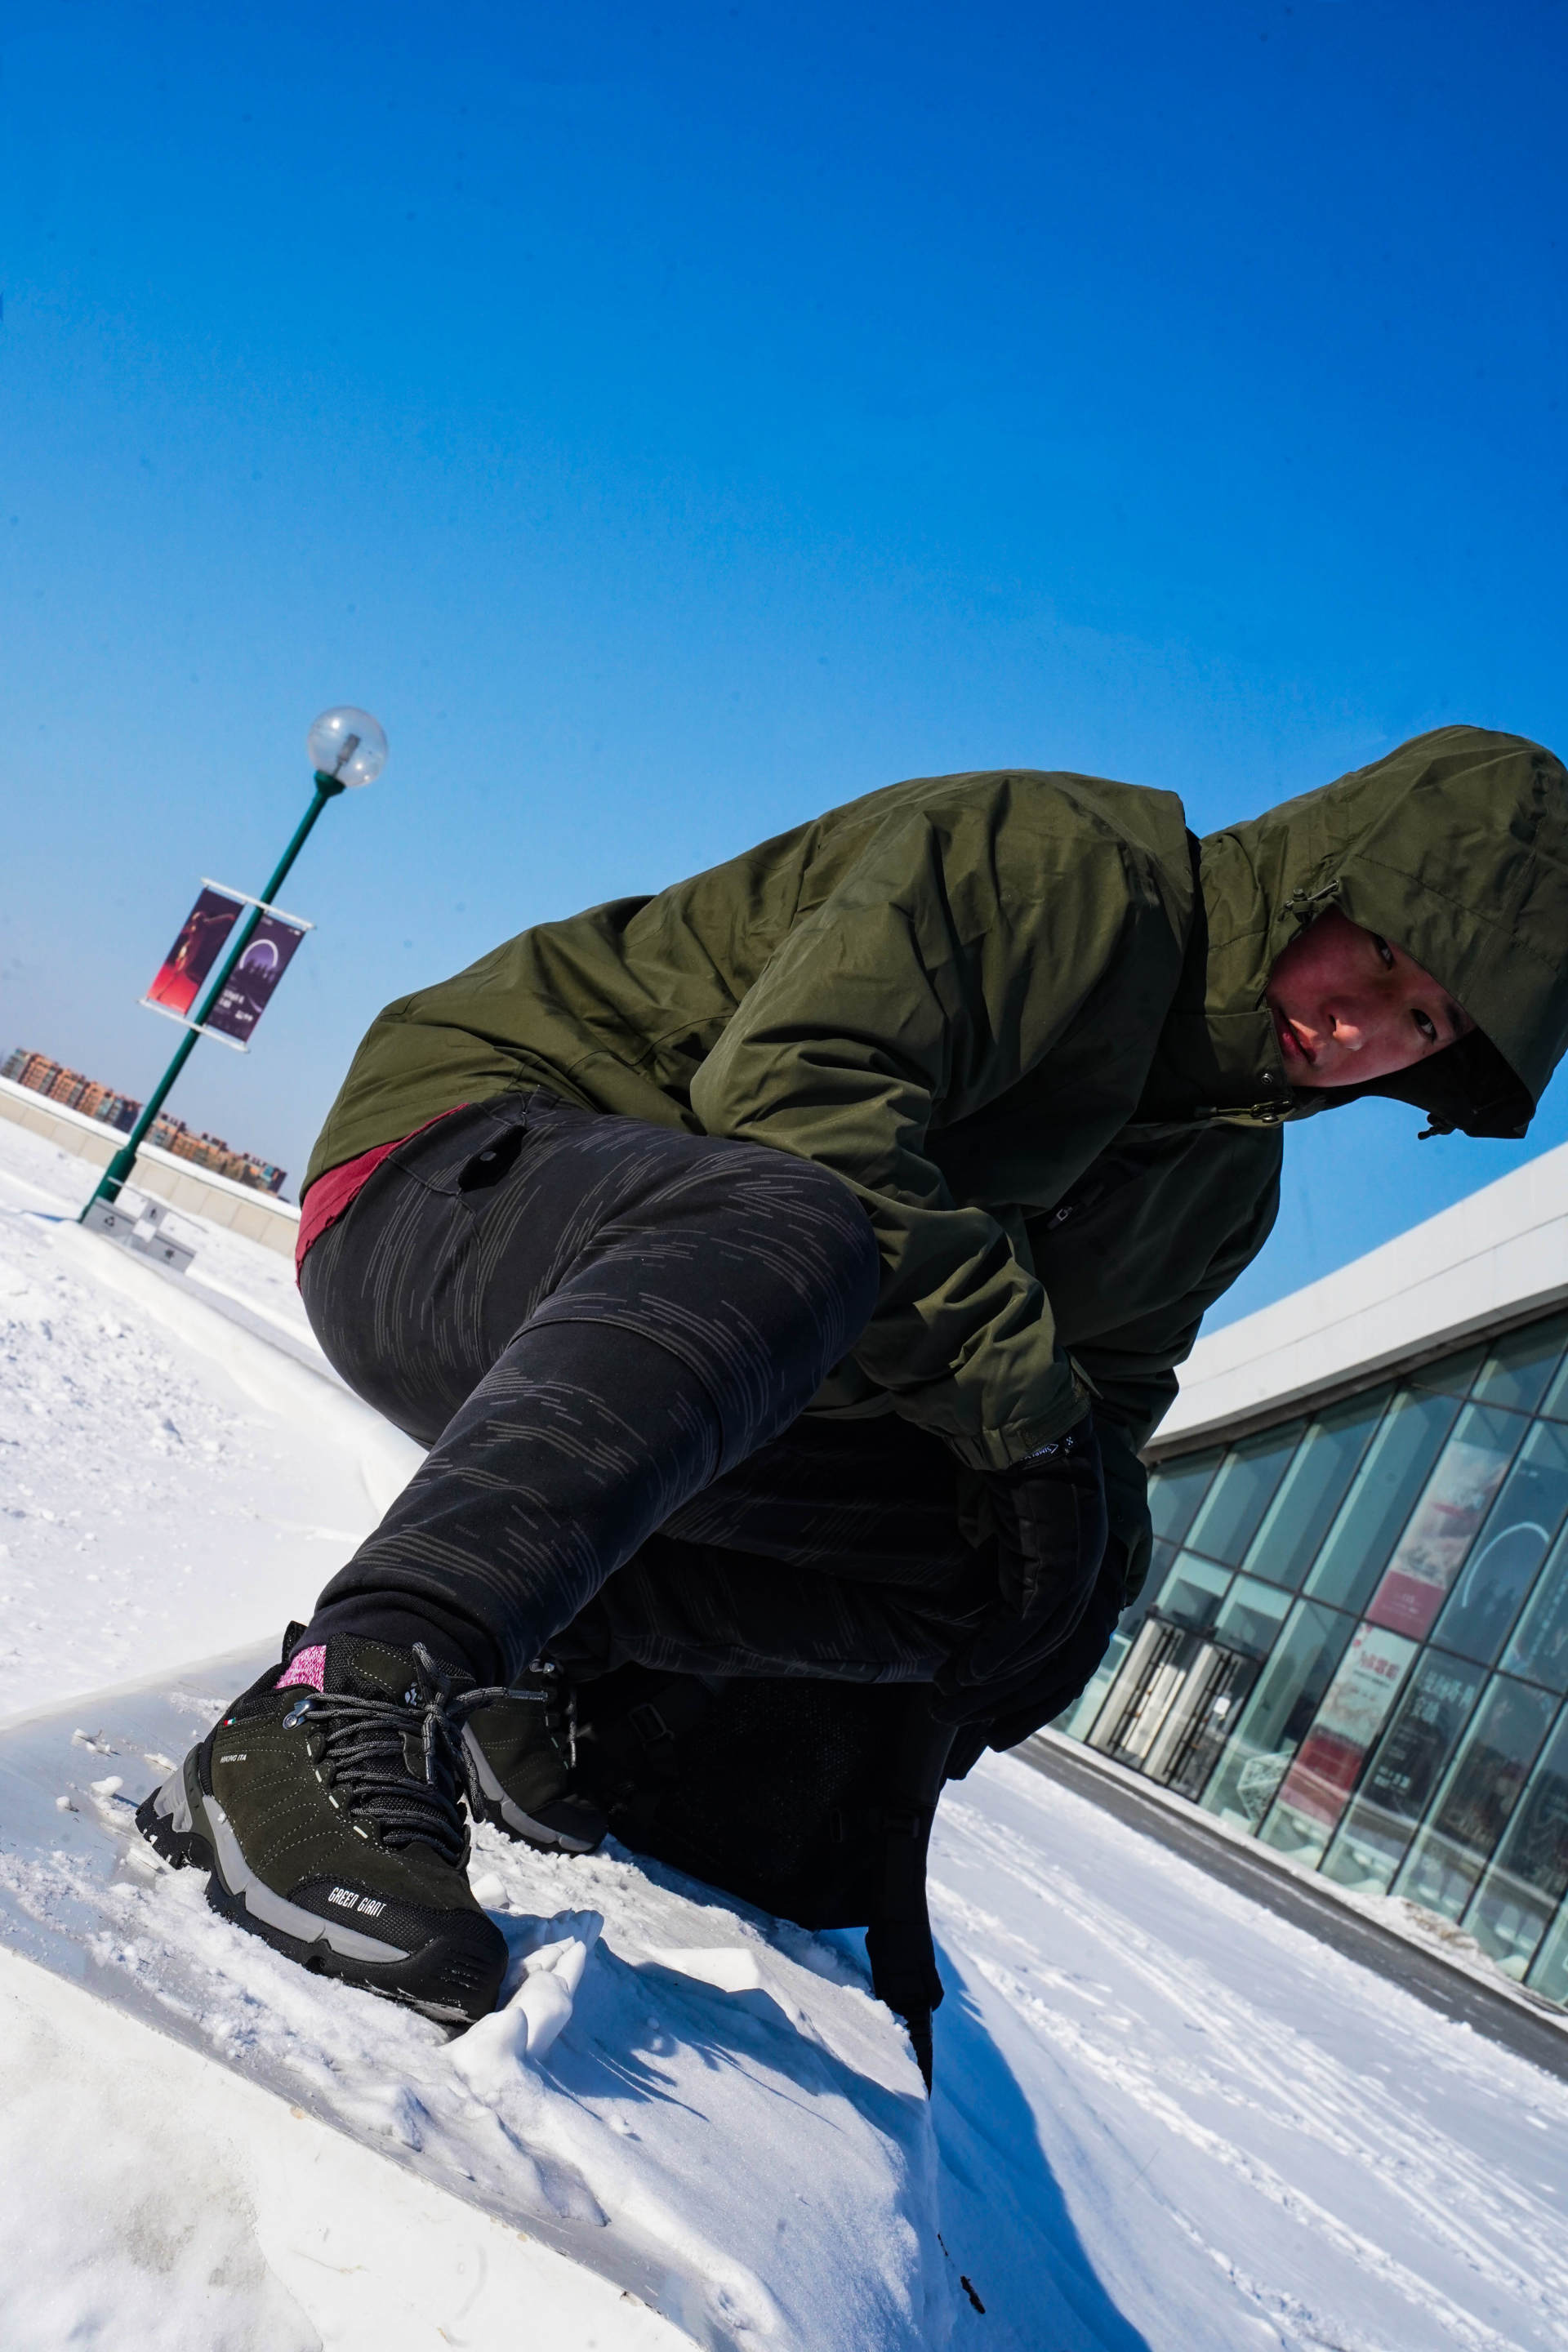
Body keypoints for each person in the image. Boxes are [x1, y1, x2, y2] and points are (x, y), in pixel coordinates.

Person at [140, 723, 1568, 2066]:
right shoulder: (1066, 868)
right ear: (1323, 875)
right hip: (449, 1182)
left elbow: (1101, 1402)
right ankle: (343, 1693)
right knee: (812, 1226)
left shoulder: (1225, 1179)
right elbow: (798, 1099)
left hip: (686, 1352)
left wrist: (1071, 1541)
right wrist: (1023, 1411)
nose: (1364, 1028)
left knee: (1033, 1555)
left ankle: (549, 1664)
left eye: (1425, 1024)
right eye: (1377, 954)